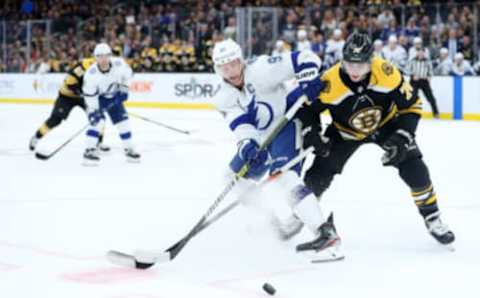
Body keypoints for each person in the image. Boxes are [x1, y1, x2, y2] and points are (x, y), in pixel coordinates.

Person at [299, 31, 455, 247]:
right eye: (349, 63)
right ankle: (301, 214)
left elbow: (411, 106)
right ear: (342, 60)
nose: (354, 70)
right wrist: (312, 133)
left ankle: (432, 217)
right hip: (345, 132)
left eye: (361, 64)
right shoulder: (328, 81)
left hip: (386, 125)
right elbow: (306, 110)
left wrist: (403, 135)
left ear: (371, 61)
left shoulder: (387, 72)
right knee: (318, 173)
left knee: (414, 166)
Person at [211, 39, 342, 260]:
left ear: (241, 60)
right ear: (217, 69)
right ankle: (273, 223)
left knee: (284, 176)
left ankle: (325, 233)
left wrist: (308, 77)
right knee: (232, 177)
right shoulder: (222, 97)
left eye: (233, 63)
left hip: (287, 123)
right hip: (262, 137)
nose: (230, 71)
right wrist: (248, 146)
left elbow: (306, 58)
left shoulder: (262, 69)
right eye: (224, 67)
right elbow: (241, 125)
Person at [29, 58, 110, 153]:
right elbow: (70, 83)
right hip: (67, 95)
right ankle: (36, 137)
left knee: (99, 117)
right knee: (55, 120)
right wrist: (84, 93)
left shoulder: (107, 67)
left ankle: (98, 143)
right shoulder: (84, 66)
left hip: (85, 96)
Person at [82, 43, 140, 165]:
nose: (103, 59)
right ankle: (89, 150)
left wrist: (124, 89)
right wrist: (94, 111)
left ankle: (129, 149)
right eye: (100, 56)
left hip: (115, 97)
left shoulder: (119, 64)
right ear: (95, 58)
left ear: (110, 56)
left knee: (123, 123)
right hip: (98, 99)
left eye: (106, 56)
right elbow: (89, 95)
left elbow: (129, 75)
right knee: (97, 123)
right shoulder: (91, 74)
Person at [406, 47, 439, 118]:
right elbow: (407, 70)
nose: (420, 54)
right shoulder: (412, 60)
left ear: (424, 53)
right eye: (419, 52)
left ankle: (436, 113)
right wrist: (412, 75)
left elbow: (431, 71)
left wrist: (429, 77)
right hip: (414, 81)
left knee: (431, 98)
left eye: (422, 52)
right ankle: (410, 114)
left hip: (424, 81)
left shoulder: (427, 61)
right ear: (417, 53)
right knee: (412, 97)